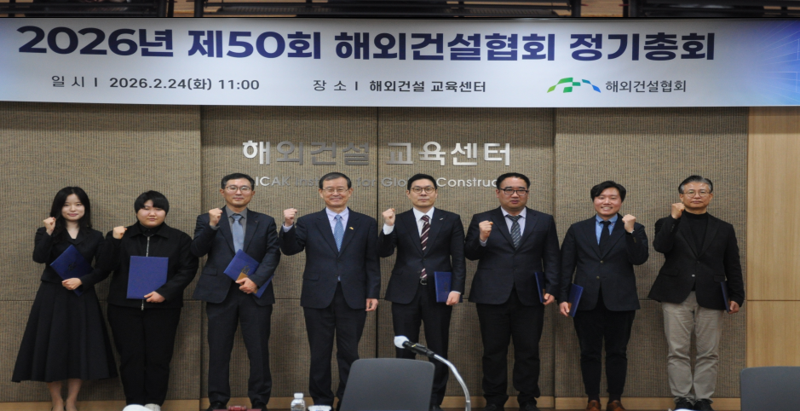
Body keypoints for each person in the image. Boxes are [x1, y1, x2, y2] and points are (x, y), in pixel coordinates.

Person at [280, 172, 380, 410]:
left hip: (354, 295)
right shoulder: (308, 221)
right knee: (319, 352)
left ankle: (348, 400)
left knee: (349, 352)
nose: (335, 193)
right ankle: (322, 401)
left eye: (340, 189)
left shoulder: (366, 222)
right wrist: (288, 226)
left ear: (350, 192)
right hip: (317, 295)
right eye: (329, 189)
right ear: (320, 192)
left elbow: (372, 261)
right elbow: (290, 249)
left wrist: (373, 292)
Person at [91, 191, 198, 411]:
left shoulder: (179, 238)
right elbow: (104, 266)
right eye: (146, 208)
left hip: (164, 307)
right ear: (136, 211)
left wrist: (165, 292)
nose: (152, 213)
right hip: (123, 308)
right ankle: (134, 404)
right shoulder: (121, 235)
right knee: (130, 357)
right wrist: (114, 241)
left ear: (165, 212)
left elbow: (187, 270)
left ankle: (153, 403)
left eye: (158, 208)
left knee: (159, 358)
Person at [12, 187, 117, 411]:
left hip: (82, 296)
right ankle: (57, 401)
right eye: (67, 204)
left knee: (79, 347)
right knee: (53, 346)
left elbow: (104, 268)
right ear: (58, 208)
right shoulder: (45, 231)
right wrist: (49, 233)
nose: (72, 209)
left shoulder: (95, 236)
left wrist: (83, 281)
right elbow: (39, 257)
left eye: (78, 204)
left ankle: (71, 401)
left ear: (85, 207)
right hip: (52, 296)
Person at [464, 172, 560, 411]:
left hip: (531, 295)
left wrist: (552, 287)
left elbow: (552, 257)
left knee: (529, 351)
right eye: (509, 190)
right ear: (498, 192)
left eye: (521, 190)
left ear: (527, 193)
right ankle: (494, 400)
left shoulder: (544, 220)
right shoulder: (482, 219)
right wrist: (482, 238)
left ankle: (527, 399)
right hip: (491, 295)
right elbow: (470, 254)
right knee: (493, 351)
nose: (515, 194)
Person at [648, 175, 744, 411]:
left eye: (703, 191)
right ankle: (682, 399)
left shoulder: (724, 228)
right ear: (681, 197)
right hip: (675, 295)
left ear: (711, 196)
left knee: (709, 352)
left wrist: (736, 295)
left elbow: (732, 264)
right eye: (690, 192)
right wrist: (674, 218)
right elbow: (661, 247)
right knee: (677, 351)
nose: (697, 196)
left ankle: (703, 399)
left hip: (712, 295)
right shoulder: (666, 222)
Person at [191, 173, 281, 411]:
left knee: (259, 350)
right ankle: (217, 402)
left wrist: (256, 281)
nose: (238, 192)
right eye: (232, 187)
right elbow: (197, 250)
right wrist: (211, 226)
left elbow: (273, 254)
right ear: (222, 192)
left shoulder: (265, 221)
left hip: (254, 292)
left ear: (252, 193)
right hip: (220, 293)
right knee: (218, 350)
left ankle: (259, 402)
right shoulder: (207, 219)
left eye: (244, 188)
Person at [558, 181, 649, 411]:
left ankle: (615, 399)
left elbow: (639, 259)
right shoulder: (578, 229)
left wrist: (629, 232)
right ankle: (593, 399)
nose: (606, 202)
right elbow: (566, 266)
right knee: (588, 352)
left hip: (621, 300)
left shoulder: (634, 228)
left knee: (617, 352)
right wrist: (563, 297)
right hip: (585, 300)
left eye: (613, 197)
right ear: (594, 200)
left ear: (621, 201)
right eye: (601, 197)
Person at [378, 174, 466, 411]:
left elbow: (458, 258)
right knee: (404, 348)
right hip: (404, 292)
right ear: (408, 193)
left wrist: (457, 288)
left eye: (428, 189)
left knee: (438, 348)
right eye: (417, 189)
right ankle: (407, 401)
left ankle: (434, 401)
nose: (423, 193)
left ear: (436, 192)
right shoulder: (398, 219)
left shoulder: (451, 219)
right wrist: (388, 226)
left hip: (440, 293)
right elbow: (384, 252)